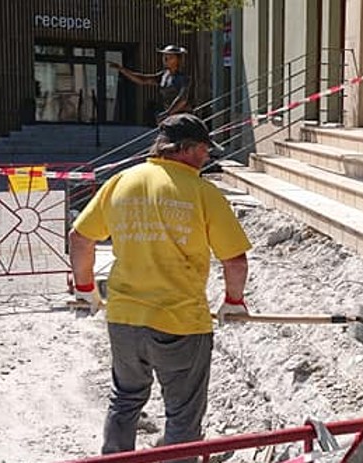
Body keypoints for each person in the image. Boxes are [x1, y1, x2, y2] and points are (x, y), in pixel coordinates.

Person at [69, 113, 251, 462]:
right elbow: (235, 260)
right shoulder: (202, 192)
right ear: (190, 149)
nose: (206, 159)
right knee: (182, 416)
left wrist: (86, 288)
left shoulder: (123, 181)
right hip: (181, 321)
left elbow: (80, 238)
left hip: (124, 317)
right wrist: (234, 300)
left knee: (125, 399)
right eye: (204, 151)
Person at [109, 45, 192, 123]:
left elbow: (182, 99)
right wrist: (122, 69)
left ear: (178, 60)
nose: (166, 59)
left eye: (170, 57)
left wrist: (168, 113)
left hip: (182, 115)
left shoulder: (183, 78)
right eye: (165, 56)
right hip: (168, 116)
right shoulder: (163, 75)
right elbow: (143, 79)